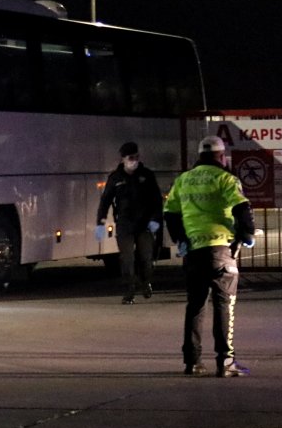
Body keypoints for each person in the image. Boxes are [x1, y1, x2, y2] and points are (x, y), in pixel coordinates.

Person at [163, 135, 256, 378]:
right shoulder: (226, 178)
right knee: (225, 306)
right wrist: (247, 234)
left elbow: (170, 213)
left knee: (195, 306)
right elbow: (241, 207)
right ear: (221, 156)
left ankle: (192, 362)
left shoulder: (183, 180)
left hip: (193, 252)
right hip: (220, 250)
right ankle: (225, 361)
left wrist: (181, 240)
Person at [96, 141, 164, 304]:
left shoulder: (146, 175)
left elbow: (156, 200)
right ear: (123, 159)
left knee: (146, 259)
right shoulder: (115, 178)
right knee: (127, 260)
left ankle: (146, 281)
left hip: (145, 225)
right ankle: (130, 291)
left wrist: (155, 219)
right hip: (125, 224)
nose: (134, 160)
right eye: (130, 157)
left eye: (136, 157)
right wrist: (100, 222)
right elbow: (105, 201)